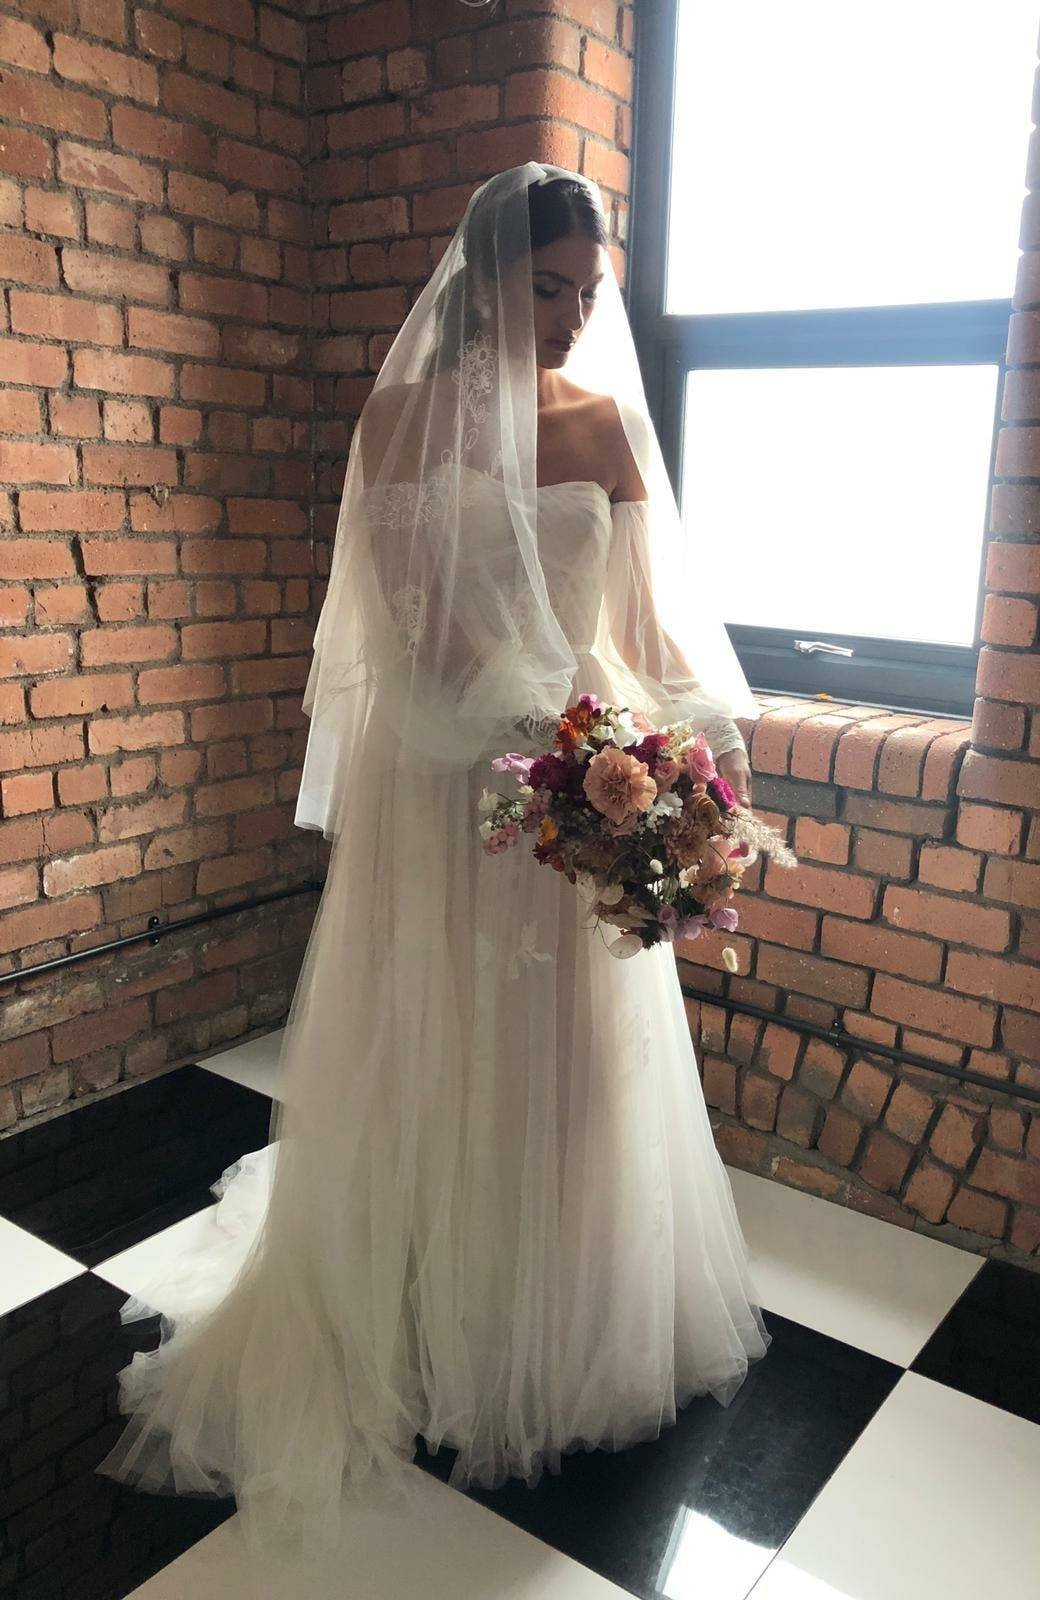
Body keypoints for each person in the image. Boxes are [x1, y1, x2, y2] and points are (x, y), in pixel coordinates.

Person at [94, 162, 771, 1558]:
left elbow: (642, 636)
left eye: (593, 291)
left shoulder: (602, 424)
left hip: (583, 783)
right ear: (484, 280)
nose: (578, 317)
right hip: (445, 786)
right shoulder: (404, 414)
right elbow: (389, 632)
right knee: (429, 1035)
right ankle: (405, 1310)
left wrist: (689, 766)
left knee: (561, 1050)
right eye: (549, 288)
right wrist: (513, 732)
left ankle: (549, 1316)